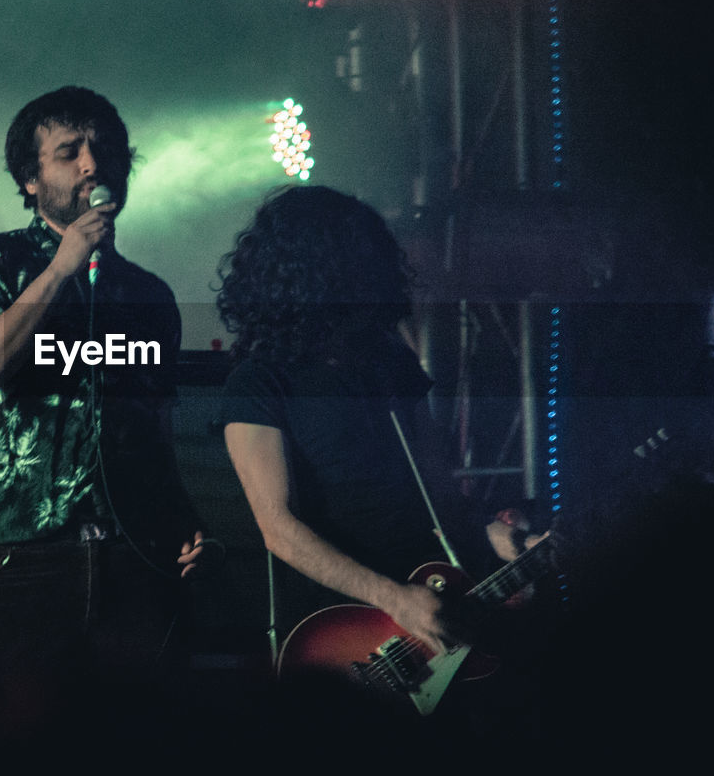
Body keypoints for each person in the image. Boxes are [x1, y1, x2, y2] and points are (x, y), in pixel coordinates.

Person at [214, 185, 548, 743]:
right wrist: (395, 599)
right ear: (311, 272)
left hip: (439, 603)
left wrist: (499, 540)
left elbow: (439, 495)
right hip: (346, 626)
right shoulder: (258, 382)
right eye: (355, 261)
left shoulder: (390, 363)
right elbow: (278, 528)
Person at [0, 86, 207, 723]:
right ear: (30, 180)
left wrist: (184, 517)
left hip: (137, 565)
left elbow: (151, 426)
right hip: (25, 563)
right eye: (69, 153)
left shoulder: (147, 295)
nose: (92, 165)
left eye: (104, 151)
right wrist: (59, 269)